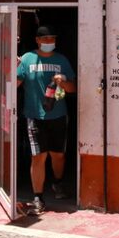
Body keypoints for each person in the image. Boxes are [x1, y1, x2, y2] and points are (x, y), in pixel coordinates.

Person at [16, 25, 76, 215]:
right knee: (38, 156)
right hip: (34, 116)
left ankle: (57, 183)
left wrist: (62, 82)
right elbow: (14, 83)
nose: (49, 42)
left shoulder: (62, 60)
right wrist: (10, 66)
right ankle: (38, 197)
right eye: (46, 39)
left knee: (58, 155)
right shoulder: (27, 59)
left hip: (58, 115)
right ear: (37, 40)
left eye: (52, 39)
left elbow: (73, 88)